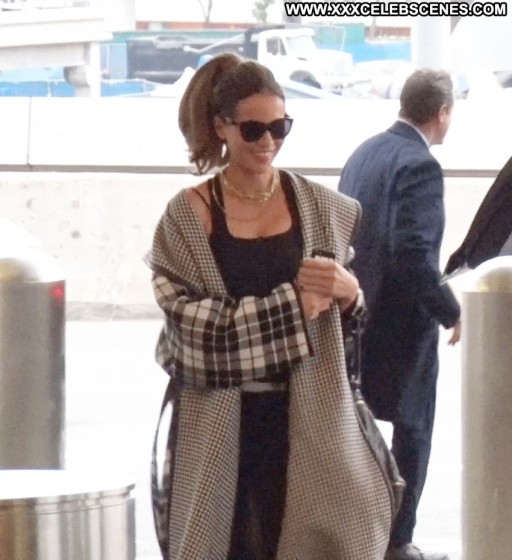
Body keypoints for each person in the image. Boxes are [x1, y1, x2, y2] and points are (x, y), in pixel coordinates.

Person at [146, 52, 394, 560]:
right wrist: (293, 307)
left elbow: (347, 327)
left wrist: (351, 294)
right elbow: (192, 338)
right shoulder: (188, 217)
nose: (268, 142)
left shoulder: (320, 207)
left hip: (308, 413)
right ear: (222, 126)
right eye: (253, 129)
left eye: (280, 127)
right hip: (218, 422)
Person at [338, 68, 462, 560]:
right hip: (402, 329)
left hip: (355, 320)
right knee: (413, 431)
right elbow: (411, 252)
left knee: (357, 434)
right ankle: (397, 542)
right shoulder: (421, 166)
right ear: (442, 113)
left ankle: (361, 535)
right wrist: (450, 310)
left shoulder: (363, 153)